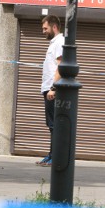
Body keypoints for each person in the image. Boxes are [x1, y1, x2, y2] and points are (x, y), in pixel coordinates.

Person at [36, 15, 64, 167]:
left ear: (54, 27)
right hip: (48, 90)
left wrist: (53, 88)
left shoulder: (60, 42)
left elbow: (61, 65)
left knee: (55, 125)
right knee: (51, 125)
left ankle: (56, 157)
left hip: (52, 91)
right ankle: (51, 155)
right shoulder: (54, 43)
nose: (43, 31)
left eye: (45, 28)